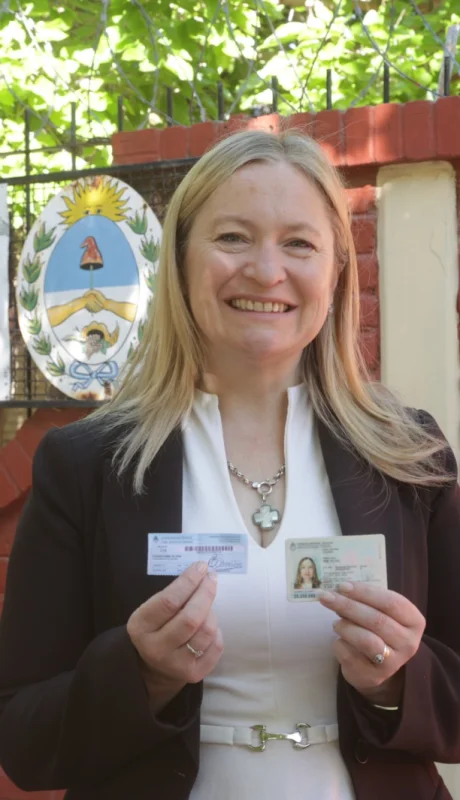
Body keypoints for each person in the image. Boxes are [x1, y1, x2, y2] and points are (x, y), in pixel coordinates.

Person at [0, 129, 459, 800]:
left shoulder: (410, 458)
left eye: (298, 244)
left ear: (336, 272)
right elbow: (23, 736)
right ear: (181, 262)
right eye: (233, 238)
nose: (266, 271)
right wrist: (141, 675)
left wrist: (396, 681)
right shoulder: (86, 465)